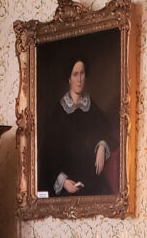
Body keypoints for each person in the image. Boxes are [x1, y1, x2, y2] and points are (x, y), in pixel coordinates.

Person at [43, 58, 113, 196]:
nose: (79, 79)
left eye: (82, 74)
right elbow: (48, 154)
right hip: (69, 183)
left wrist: (102, 146)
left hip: (91, 178)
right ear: (69, 78)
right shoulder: (58, 113)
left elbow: (105, 127)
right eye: (75, 74)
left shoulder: (91, 107)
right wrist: (63, 181)